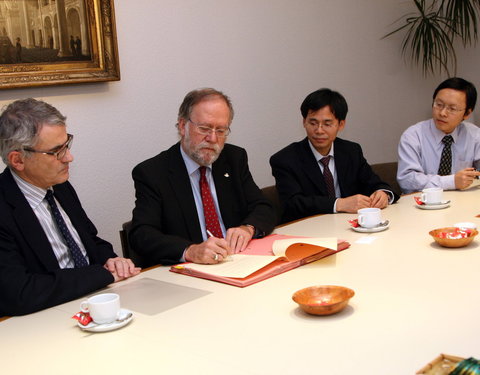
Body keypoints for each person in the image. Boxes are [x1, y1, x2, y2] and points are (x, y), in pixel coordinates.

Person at [0, 98, 140, 316]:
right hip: (45, 318)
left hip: (92, 300)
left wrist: (112, 261)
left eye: (67, 145)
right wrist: (100, 275)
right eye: (56, 151)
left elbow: (89, 240)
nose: (69, 157)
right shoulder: (4, 208)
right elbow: (20, 293)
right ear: (18, 160)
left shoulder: (60, 186)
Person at [130, 88, 275, 266]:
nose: (212, 138)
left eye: (221, 130)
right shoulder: (153, 172)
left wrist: (248, 228)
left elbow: (263, 206)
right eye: (204, 128)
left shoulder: (234, 158)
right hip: (191, 271)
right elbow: (142, 234)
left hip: (237, 261)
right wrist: (190, 250)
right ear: (183, 126)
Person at [270, 88, 399, 223]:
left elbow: (374, 183)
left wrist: (383, 194)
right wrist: (339, 204)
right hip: (310, 230)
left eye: (327, 124)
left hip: (349, 226)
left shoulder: (351, 151)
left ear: (341, 124)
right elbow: (293, 203)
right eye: (313, 123)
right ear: (304, 122)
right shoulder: (285, 159)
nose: (319, 130)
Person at [397, 77, 480, 194]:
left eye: (452, 108)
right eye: (439, 104)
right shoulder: (413, 136)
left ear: (467, 114)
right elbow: (407, 180)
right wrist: (451, 181)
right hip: (421, 205)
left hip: (461, 203)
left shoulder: (474, 135)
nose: (442, 113)